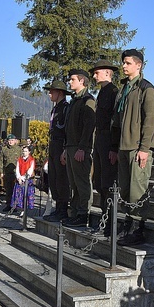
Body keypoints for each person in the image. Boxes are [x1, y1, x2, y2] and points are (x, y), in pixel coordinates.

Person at [110, 49, 154, 246]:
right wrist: (114, 147)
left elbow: (150, 120)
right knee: (126, 188)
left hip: (138, 147)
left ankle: (137, 228)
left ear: (139, 65)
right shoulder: (124, 89)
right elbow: (117, 121)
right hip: (123, 146)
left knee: (138, 189)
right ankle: (128, 223)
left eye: (128, 63)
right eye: (123, 62)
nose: (124, 66)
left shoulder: (146, 89)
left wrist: (145, 148)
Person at [62, 68, 96, 227]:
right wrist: (65, 149)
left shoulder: (88, 100)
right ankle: (74, 212)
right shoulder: (74, 101)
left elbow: (89, 127)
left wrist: (82, 148)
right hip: (70, 147)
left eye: (72, 79)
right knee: (73, 182)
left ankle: (83, 214)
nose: (70, 82)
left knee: (82, 181)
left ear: (82, 81)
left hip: (80, 148)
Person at [90, 59, 119, 233]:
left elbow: (115, 121)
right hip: (100, 139)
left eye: (97, 72)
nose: (94, 75)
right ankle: (104, 218)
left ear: (107, 73)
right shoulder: (102, 92)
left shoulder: (113, 92)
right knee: (100, 182)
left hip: (109, 140)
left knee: (108, 183)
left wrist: (114, 147)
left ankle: (110, 222)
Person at [43, 79, 71, 222]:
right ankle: (57, 207)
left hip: (61, 145)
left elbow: (67, 130)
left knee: (61, 178)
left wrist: (65, 149)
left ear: (59, 93)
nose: (49, 94)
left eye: (52, 91)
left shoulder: (66, 108)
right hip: (53, 145)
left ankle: (62, 208)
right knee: (53, 178)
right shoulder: (55, 109)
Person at [0, 134, 21, 213]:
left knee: (15, 190)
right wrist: (1, 172)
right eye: (9, 140)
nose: (10, 142)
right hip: (7, 173)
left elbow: (22, 162)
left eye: (12, 140)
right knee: (8, 190)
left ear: (15, 141)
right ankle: (8, 205)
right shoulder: (4, 149)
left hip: (16, 173)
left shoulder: (19, 149)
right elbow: (1, 161)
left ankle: (14, 206)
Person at [12, 145, 36, 214]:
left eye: (26, 151)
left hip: (27, 180)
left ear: (29, 152)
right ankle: (20, 208)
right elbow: (17, 169)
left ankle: (25, 210)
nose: (24, 152)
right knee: (19, 195)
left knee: (26, 195)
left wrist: (23, 178)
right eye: (23, 151)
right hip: (19, 180)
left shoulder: (31, 160)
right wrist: (19, 177)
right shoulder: (19, 159)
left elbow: (30, 170)